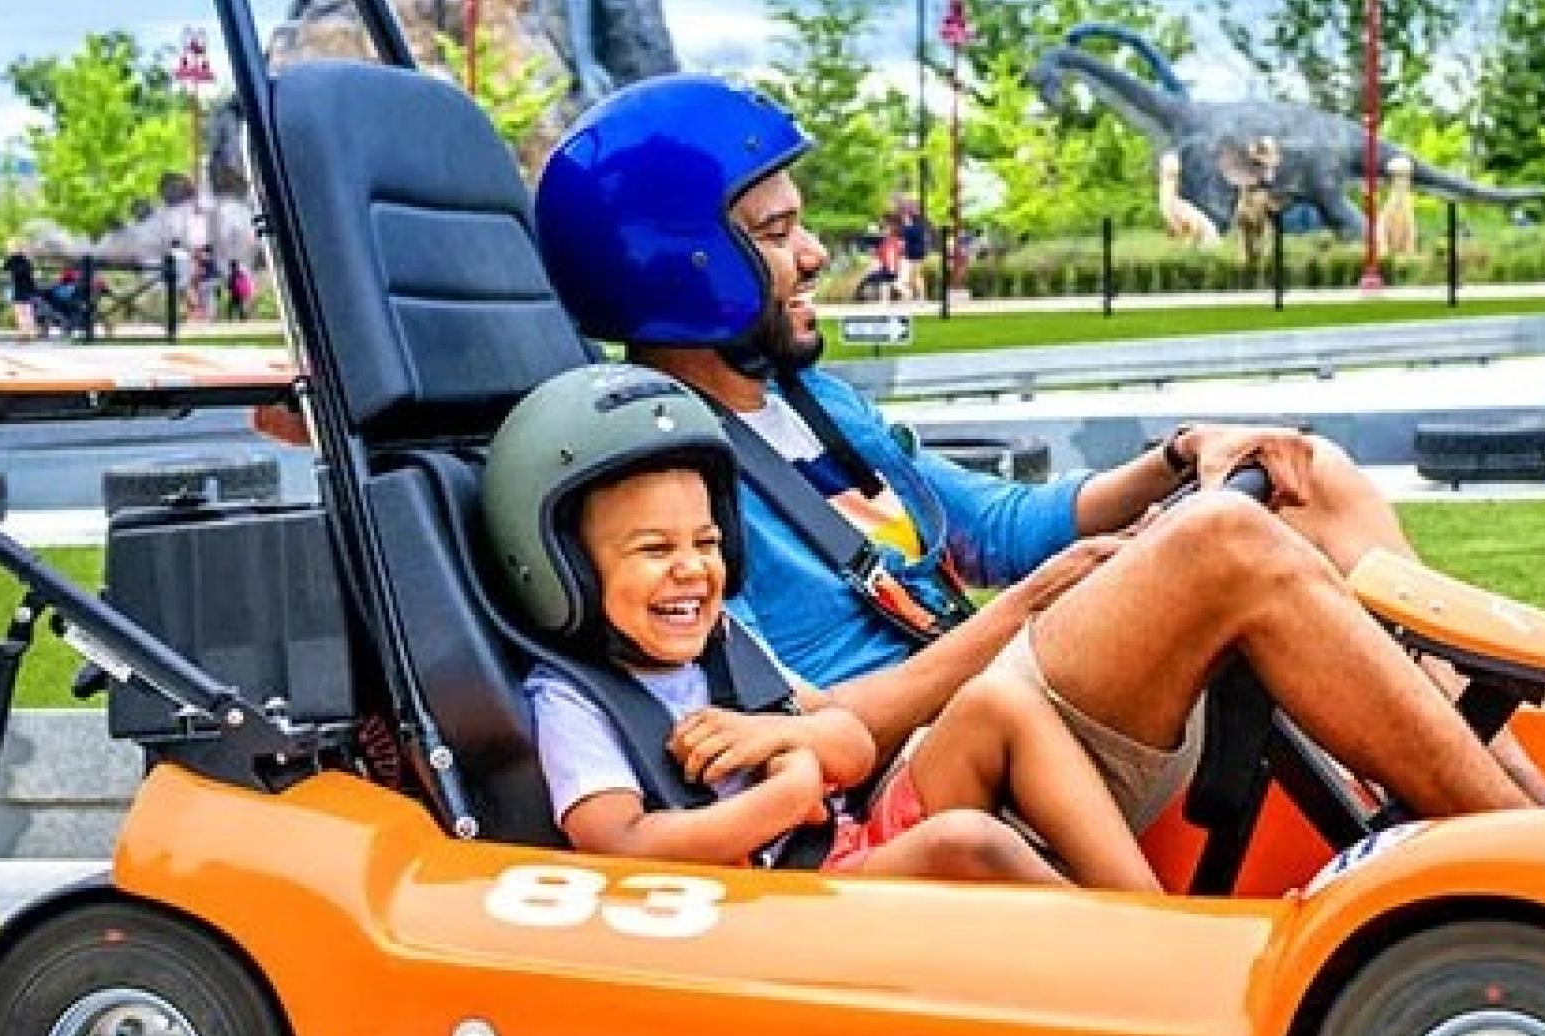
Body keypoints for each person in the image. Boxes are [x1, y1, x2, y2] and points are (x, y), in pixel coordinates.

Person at [534, 75, 1545, 848]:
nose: (816, 255)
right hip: (936, 772)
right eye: (775, 234)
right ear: (682, 264)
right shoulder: (663, 491)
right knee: (1227, 541)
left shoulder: (813, 401)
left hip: (1023, 697)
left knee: (1298, 472)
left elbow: (1002, 524)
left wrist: (1180, 459)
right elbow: (796, 726)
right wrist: (1034, 607)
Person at [487, 364, 1162, 888]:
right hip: (779, 901)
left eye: (708, 542)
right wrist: (789, 793)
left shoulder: (727, 641)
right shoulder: (575, 700)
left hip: (838, 845)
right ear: (565, 568)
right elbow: (620, 844)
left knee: (1000, 703)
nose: (691, 568)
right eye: (655, 549)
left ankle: (1153, 915)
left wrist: (786, 735)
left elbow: (851, 745)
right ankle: (1135, 962)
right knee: (965, 841)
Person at [3, 249, 41, 339]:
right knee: (28, 312)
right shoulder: (26, 262)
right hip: (28, 289)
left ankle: (24, 332)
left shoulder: (13, 262)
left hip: (18, 289)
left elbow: (5, 267)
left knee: (20, 312)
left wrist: (11, 256)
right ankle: (29, 332)